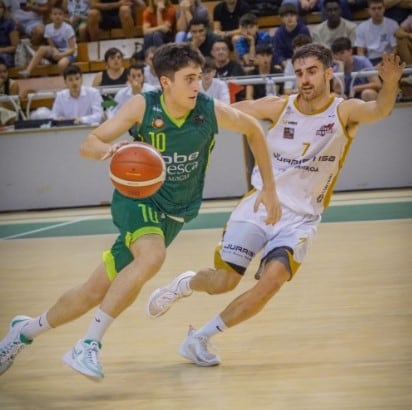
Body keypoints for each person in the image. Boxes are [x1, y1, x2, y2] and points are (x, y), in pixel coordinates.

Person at [0, 42, 280, 380]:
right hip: (138, 201)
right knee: (152, 257)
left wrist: (268, 187)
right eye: (189, 79)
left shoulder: (210, 110)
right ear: (166, 82)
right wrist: (110, 149)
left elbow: (253, 129)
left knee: (93, 292)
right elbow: (89, 143)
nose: (197, 86)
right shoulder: (142, 106)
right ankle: (88, 344)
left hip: (175, 214)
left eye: (199, 78)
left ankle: (24, 331)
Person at [146, 44, 405, 367]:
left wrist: (390, 81)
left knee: (271, 283)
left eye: (312, 71)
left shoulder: (344, 111)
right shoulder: (279, 107)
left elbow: (380, 109)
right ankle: (186, 282)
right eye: (299, 73)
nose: (305, 79)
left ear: (328, 73)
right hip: (259, 204)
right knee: (224, 282)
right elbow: (222, 111)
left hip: (301, 219)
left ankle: (200, 337)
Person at [18, 4, 77, 77]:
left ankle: (60, 79)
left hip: (68, 54)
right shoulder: (48, 28)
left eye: (60, 14)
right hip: (56, 52)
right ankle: (28, 71)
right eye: (55, 14)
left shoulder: (68, 28)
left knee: (61, 64)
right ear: (50, 16)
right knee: (42, 48)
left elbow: (72, 49)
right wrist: (55, 51)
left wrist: (61, 55)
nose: (57, 16)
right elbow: (51, 45)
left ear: (64, 16)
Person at [332, 36, 381, 100]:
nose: (339, 57)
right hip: (348, 97)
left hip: (363, 94)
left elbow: (377, 84)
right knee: (334, 96)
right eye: (336, 54)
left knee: (367, 93)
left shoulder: (363, 61)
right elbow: (338, 90)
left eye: (342, 53)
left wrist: (356, 88)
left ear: (350, 51)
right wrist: (341, 66)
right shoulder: (336, 69)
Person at [354, 0, 399, 65]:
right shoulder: (361, 27)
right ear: (368, 10)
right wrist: (368, 65)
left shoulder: (393, 24)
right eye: (373, 9)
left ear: (384, 9)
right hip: (370, 61)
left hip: (389, 60)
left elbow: (395, 50)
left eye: (379, 8)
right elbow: (360, 52)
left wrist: (384, 63)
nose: (377, 11)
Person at [271, 3, 311, 70]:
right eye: (286, 16)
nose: (289, 18)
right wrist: (283, 62)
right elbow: (277, 52)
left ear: (297, 16)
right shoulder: (279, 33)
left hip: (303, 61)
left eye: (292, 15)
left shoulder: (304, 30)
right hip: (286, 63)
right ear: (281, 18)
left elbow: (308, 49)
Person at [0, 55, 20, 125]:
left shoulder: (13, 84)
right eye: (0, 72)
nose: (2, 75)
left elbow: (12, 106)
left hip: (11, 113)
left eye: (5, 71)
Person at [0, 0, 19, 67]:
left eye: (0, 8)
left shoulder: (10, 24)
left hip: (6, 55)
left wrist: (1, 50)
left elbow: (15, 47)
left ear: (4, 10)